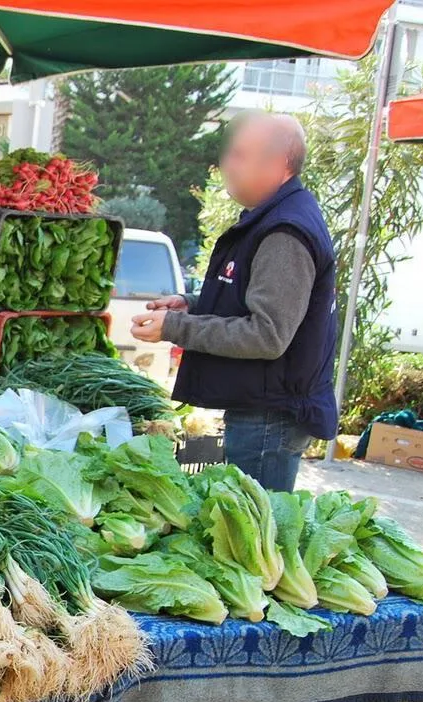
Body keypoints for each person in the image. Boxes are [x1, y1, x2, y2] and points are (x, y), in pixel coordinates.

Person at [130, 113, 337, 492]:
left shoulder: (284, 232)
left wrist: (177, 328)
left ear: (279, 164)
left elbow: (267, 334)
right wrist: (191, 305)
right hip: (261, 409)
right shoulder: (272, 218)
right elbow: (248, 301)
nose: (227, 165)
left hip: (269, 419)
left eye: (241, 155)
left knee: (252, 540)